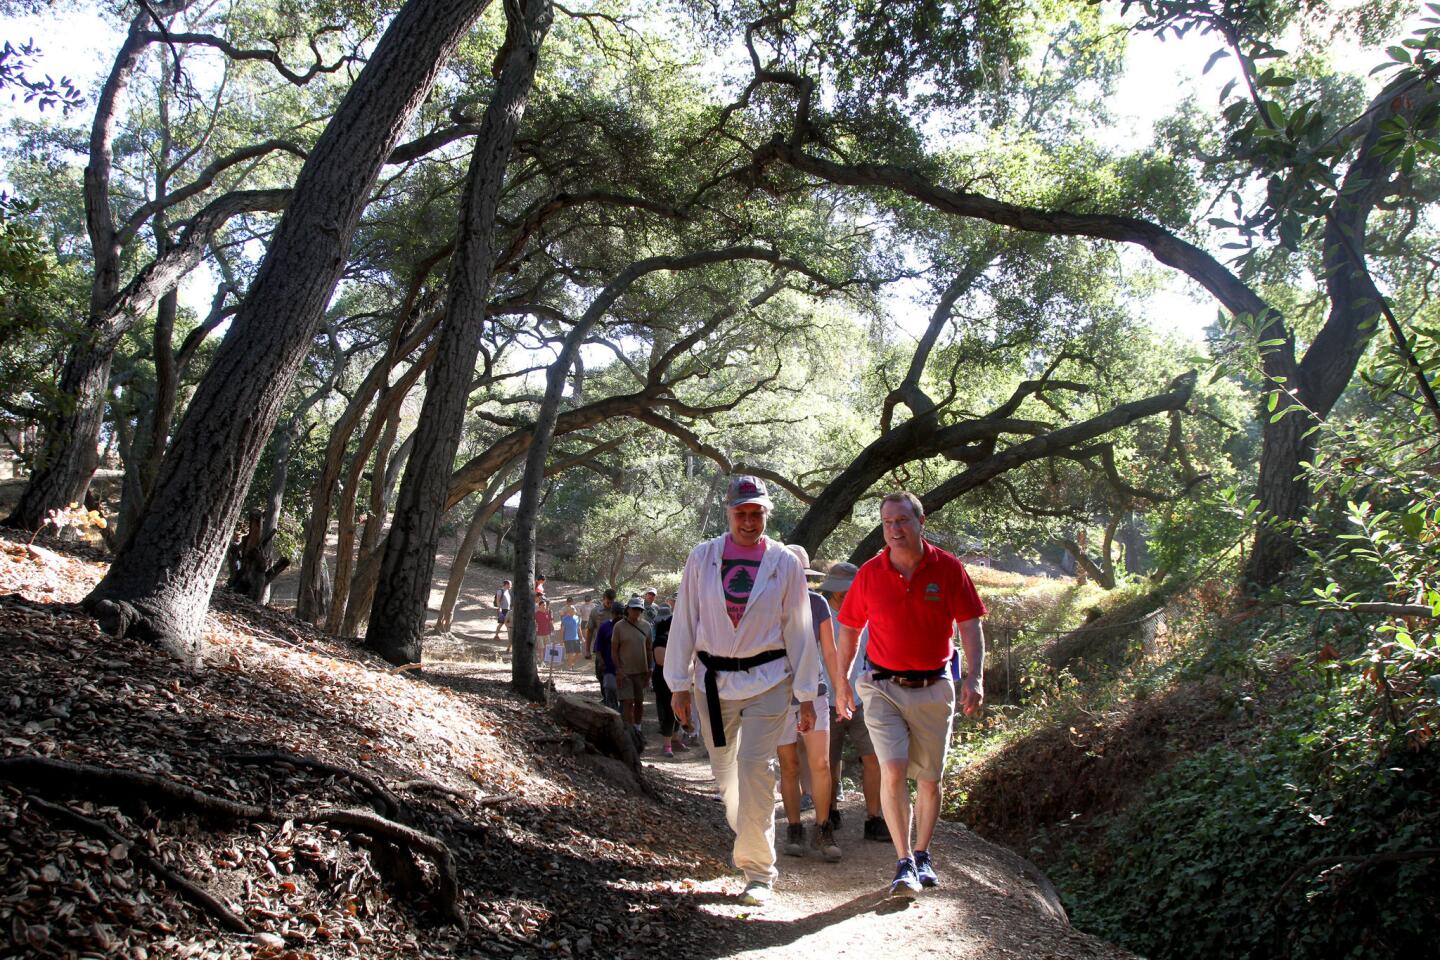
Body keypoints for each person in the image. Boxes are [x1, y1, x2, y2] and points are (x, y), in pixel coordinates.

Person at [665, 475, 819, 906]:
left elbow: (800, 630)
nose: (750, 521)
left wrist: (806, 693)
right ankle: (749, 836)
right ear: (729, 513)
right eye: (742, 513)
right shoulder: (703, 558)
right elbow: (685, 622)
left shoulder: (784, 562)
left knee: (755, 768)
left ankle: (758, 873)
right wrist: (678, 685)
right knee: (728, 776)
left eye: (757, 513)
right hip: (712, 686)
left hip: (769, 680)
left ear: (766, 513)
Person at [835, 491, 986, 898]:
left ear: (920, 522)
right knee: (895, 768)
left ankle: (922, 854)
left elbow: (970, 624)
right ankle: (903, 862)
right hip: (882, 686)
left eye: (902, 521)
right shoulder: (870, 572)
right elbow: (848, 628)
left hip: (935, 686)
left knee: (930, 780)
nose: (894, 529)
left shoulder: (948, 568)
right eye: (887, 523)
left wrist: (974, 677)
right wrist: (843, 681)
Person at [776, 544, 842, 862]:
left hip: (814, 692)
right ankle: (793, 828)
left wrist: (840, 687)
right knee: (788, 766)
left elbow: (829, 651)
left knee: (820, 764)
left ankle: (823, 827)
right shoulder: (768, 603)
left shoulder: (817, 604)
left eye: (800, 574)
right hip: (777, 696)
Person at [819, 561, 887, 842]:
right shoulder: (821, 617)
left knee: (874, 758)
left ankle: (874, 817)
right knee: (828, 762)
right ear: (837, 593)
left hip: (862, 699)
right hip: (827, 700)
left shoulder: (867, 618)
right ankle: (830, 811)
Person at [613, 596, 654, 742]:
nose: (636, 612)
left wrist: (650, 668)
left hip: (641, 671)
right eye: (634, 609)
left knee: (639, 702)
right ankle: (626, 731)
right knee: (627, 701)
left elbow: (649, 649)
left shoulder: (646, 626)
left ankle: (637, 728)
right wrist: (618, 669)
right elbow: (614, 650)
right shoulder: (619, 627)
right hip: (625, 672)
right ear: (627, 609)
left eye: (639, 609)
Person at [650, 603, 687, 757]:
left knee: (679, 709)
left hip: (677, 678)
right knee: (668, 710)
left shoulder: (678, 640)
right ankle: (667, 745)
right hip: (664, 680)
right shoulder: (660, 639)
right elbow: (660, 660)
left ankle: (675, 740)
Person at [593, 602, 623, 710]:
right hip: (609, 666)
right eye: (617, 613)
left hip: (625, 667)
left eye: (621, 613)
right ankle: (612, 712)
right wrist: (601, 661)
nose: (619, 615)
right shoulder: (605, 627)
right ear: (612, 613)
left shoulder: (627, 627)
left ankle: (623, 716)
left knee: (624, 695)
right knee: (610, 689)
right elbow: (598, 647)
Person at [586, 588, 617, 687]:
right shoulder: (595, 611)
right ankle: (605, 697)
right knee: (600, 673)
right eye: (608, 602)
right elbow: (590, 631)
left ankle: (613, 697)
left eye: (612, 602)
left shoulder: (619, 610)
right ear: (603, 599)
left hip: (617, 646)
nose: (610, 605)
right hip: (600, 647)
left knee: (615, 672)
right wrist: (587, 650)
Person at [533, 592, 554, 662]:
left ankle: (547, 660)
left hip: (547, 633)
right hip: (539, 633)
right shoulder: (536, 614)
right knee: (541, 648)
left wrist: (552, 630)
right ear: (539, 606)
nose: (544, 606)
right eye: (543, 605)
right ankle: (541, 661)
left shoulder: (548, 613)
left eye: (545, 605)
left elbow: (551, 622)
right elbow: (534, 623)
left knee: (548, 647)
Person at [561, 602, 583, 667]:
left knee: (579, 654)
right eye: (572, 609)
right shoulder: (564, 619)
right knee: (570, 654)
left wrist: (582, 637)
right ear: (568, 611)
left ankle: (571, 663)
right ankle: (570, 667)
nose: (573, 610)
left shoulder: (578, 618)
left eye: (574, 609)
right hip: (568, 638)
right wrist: (561, 640)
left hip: (576, 638)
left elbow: (579, 628)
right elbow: (562, 630)